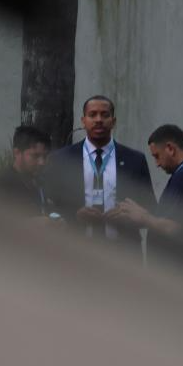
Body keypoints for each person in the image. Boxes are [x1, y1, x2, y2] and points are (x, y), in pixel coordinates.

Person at [43, 95, 155, 253]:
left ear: (113, 121)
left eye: (105, 115)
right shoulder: (61, 159)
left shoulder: (135, 160)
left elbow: (150, 207)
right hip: (75, 251)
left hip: (123, 253)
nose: (98, 120)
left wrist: (130, 217)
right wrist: (74, 215)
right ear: (83, 121)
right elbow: (49, 207)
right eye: (92, 114)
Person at [108, 124, 183, 238]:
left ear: (170, 149)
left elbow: (173, 228)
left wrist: (143, 217)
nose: (157, 164)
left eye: (157, 156)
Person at [0, 125, 50, 216]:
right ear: (17, 153)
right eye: (35, 156)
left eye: (44, 156)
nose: (42, 162)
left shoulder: (39, 182)